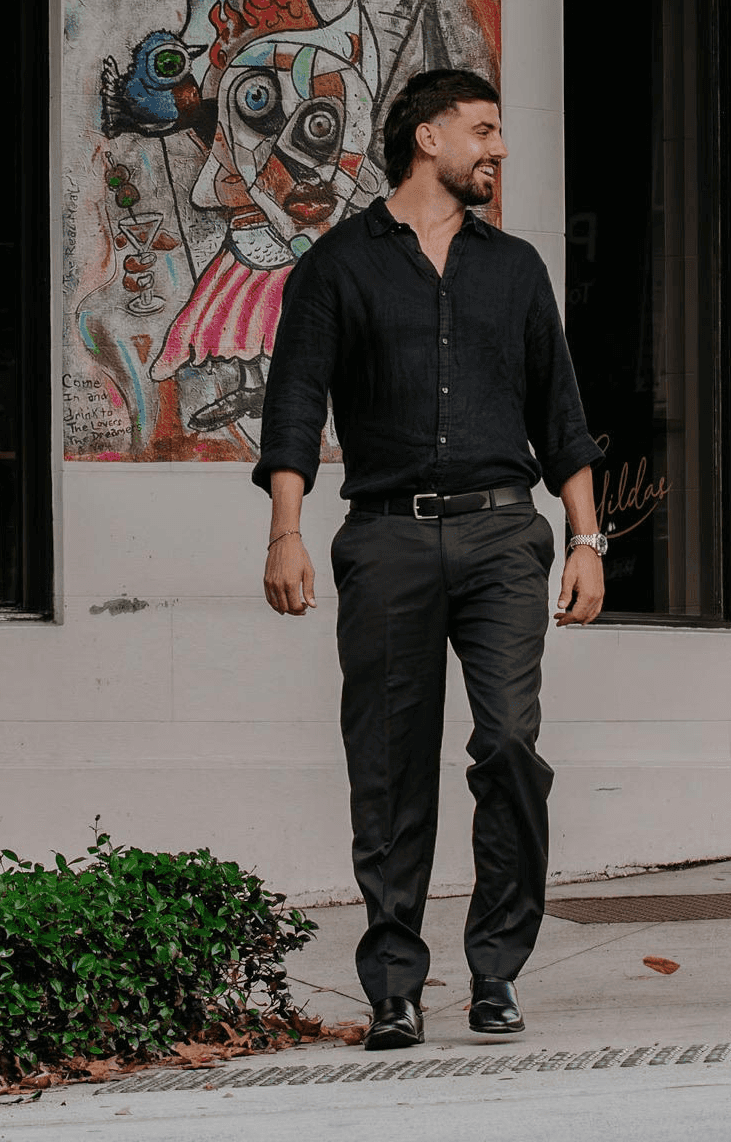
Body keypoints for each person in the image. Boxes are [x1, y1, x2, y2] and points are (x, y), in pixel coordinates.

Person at [254, 68, 606, 1051]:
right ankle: (395, 984)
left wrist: (585, 539)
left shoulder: (517, 267)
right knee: (391, 767)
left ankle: (495, 972)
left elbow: (562, 418)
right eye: (483, 129)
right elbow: (293, 406)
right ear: (427, 137)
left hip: (504, 534)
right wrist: (285, 528)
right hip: (387, 538)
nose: (498, 147)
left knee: (508, 746)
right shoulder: (336, 266)